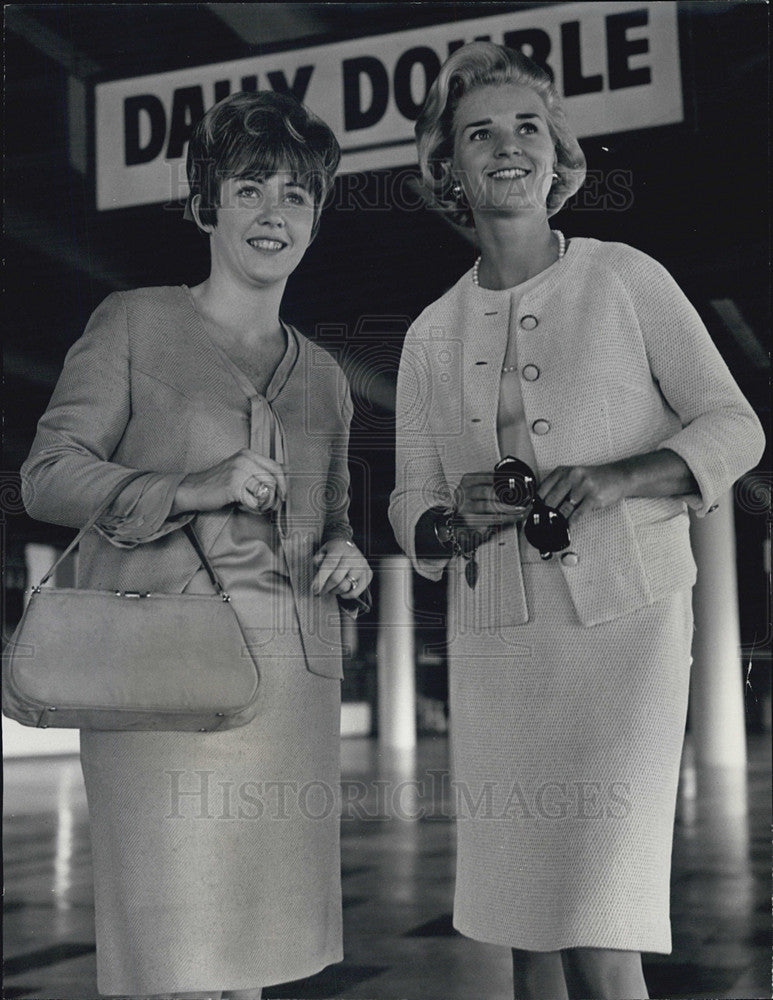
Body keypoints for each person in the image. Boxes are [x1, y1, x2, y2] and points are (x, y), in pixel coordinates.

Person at [388, 42, 765, 1000]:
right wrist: (449, 519)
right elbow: (407, 500)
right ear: (450, 169)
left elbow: (735, 425)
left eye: (525, 128)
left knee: (598, 919)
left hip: (627, 629)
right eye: (479, 134)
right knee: (527, 930)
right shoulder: (430, 332)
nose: (505, 147)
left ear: (556, 155)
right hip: (498, 646)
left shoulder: (627, 277)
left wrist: (622, 475)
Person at [20, 90, 372, 1000]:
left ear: (317, 220)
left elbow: (329, 521)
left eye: (296, 196)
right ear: (206, 202)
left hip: (289, 693)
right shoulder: (133, 323)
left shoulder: (326, 378)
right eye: (249, 188)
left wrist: (346, 556)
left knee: (254, 957)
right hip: (156, 685)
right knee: (171, 958)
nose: (273, 213)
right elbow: (47, 475)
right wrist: (190, 487)